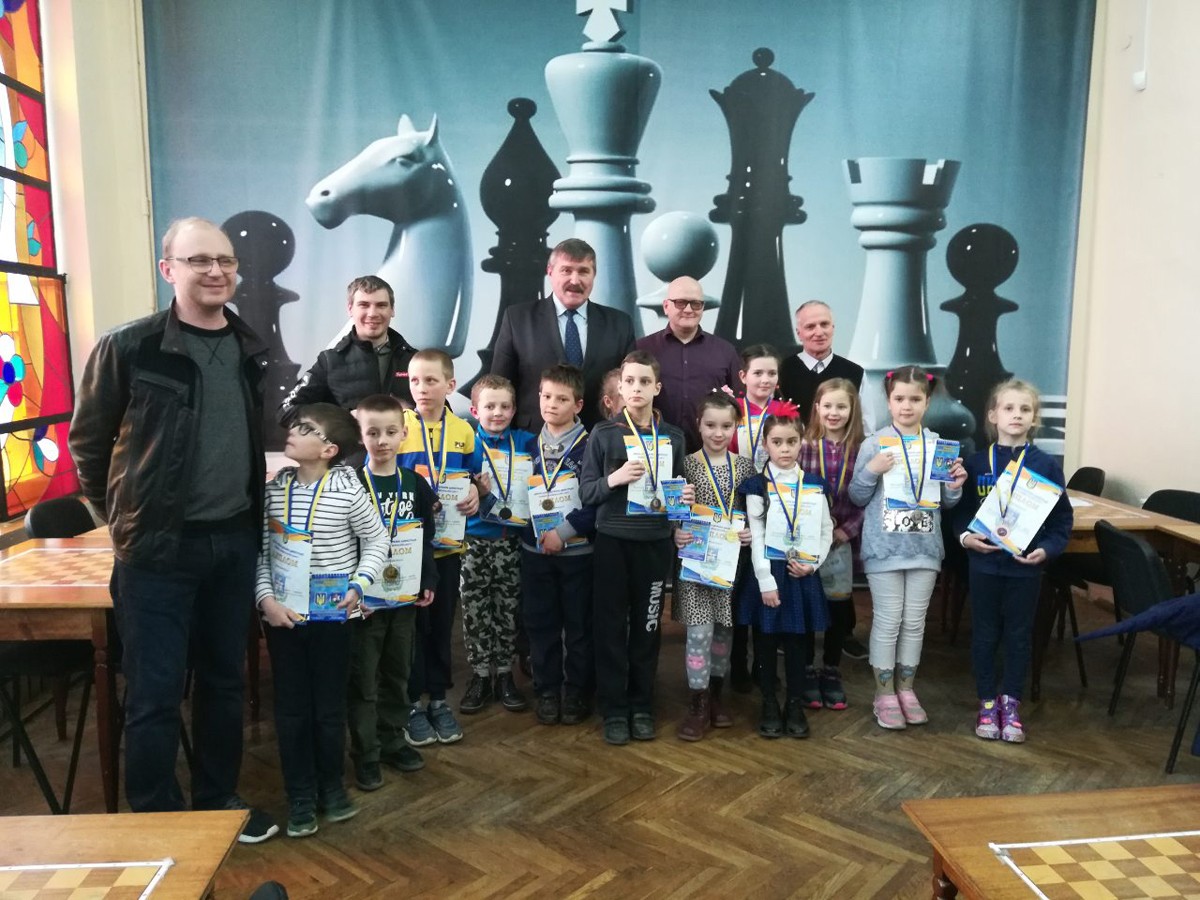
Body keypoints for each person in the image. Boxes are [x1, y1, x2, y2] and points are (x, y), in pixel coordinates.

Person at [69, 216, 276, 841]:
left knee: (223, 682)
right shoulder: (129, 346)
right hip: (157, 552)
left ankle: (216, 803)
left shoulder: (248, 346)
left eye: (225, 260)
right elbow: (88, 445)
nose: (216, 271)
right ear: (168, 270)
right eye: (199, 260)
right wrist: (123, 519)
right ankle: (158, 822)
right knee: (155, 693)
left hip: (233, 542)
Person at [254, 403, 389, 837]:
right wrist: (266, 601)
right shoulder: (274, 491)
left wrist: (359, 584)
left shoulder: (348, 491)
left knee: (329, 707)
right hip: (284, 618)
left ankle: (331, 786)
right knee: (292, 710)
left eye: (305, 428)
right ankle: (300, 794)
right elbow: (261, 553)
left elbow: (377, 540)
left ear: (329, 449)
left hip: (333, 618)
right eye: (294, 425)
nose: (292, 431)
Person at [580, 350, 691, 745]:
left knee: (647, 626)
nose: (637, 388)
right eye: (630, 381)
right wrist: (616, 478)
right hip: (613, 542)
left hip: (654, 544)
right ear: (620, 388)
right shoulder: (603, 434)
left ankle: (642, 704)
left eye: (645, 381)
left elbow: (677, 492)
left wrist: (683, 502)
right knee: (610, 627)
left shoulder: (674, 437)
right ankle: (613, 708)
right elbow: (587, 492)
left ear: (657, 387)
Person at [953, 379, 1072, 743]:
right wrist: (965, 537)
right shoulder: (976, 463)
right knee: (985, 634)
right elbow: (961, 512)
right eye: (1008, 408)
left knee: (1020, 636)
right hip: (984, 565)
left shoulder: (1046, 465)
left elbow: (1061, 520)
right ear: (993, 415)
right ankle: (987, 701)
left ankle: (1012, 701)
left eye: (1025, 409)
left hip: (1025, 568)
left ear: (1034, 418)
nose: (1016, 415)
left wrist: (1047, 549)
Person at [849, 366, 967, 731]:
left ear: (927, 402)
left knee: (915, 623)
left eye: (915, 399)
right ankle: (884, 694)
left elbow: (947, 503)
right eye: (899, 398)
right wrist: (872, 469)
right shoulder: (874, 444)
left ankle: (907, 689)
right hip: (884, 548)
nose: (906, 406)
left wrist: (955, 486)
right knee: (888, 620)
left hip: (925, 548)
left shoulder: (938, 446)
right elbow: (857, 495)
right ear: (888, 401)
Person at [348, 394, 439, 792]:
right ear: (360, 436)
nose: (382, 440)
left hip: (403, 601)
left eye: (390, 432)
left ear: (404, 434)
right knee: (363, 680)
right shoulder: (350, 484)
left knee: (398, 674)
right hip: (364, 604)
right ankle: (366, 753)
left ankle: (392, 741)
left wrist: (428, 580)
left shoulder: (415, 484)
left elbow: (427, 539)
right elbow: (341, 544)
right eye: (373, 433)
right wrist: (352, 593)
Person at [394, 349, 481, 745]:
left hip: (448, 549)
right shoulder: (398, 428)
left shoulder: (464, 430)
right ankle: (412, 703)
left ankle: (439, 701)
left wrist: (477, 492)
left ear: (450, 385)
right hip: (409, 551)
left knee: (442, 625)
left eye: (431, 380)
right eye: (415, 380)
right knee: (412, 629)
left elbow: (477, 478)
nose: (422, 388)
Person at [738, 416, 834, 739]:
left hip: (800, 573)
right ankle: (768, 702)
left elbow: (825, 530)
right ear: (765, 445)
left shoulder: (815, 484)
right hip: (767, 573)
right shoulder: (756, 486)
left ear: (801, 442)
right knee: (764, 642)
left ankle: (794, 703)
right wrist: (765, 581)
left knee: (797, 644)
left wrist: (813, 564)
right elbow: (756, 535)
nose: (784, 449)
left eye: (791, 441)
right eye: (777, 442)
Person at [671, 392, 756, 740]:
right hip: (695, 566)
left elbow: (755, 512)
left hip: (729, 566)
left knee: (723, 633)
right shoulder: (685, 464)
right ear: (699, 425)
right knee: (699, 633)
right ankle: (698, 701)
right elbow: (673, 511)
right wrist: (675, 531)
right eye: (710, 425)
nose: (718, 433)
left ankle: (717, 695)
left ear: (736, 427)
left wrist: (751, 532)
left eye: (726, 426)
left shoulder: (746, 467)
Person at [491, 238, 636, 431]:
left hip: (601, 438)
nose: (575, 281)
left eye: (583, 271)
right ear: (550, 272)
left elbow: (631, 387)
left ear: (594, 275)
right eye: (566, 270)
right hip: (533, 438)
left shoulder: (620, 323)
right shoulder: (517, 319)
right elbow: (500, 386)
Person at [522, 364, 597, 726]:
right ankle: (547, 690)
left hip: (578, 553)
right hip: (535, 552)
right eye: (546, 396)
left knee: (579, 626)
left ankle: (577, 690)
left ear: (578, 404)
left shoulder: (592, 446)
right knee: (541, 625)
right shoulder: (526, 446)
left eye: (561, 399)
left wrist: (563, 533)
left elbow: (597, 501)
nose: (551, 404)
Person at [459, 374, 536, 715]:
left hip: (511, 542)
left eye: (505, 406)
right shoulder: (465, 444)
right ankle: (480, 676)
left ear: (514, 410)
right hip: (473, 542)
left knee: (508, 609)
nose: (497, 413)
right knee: (475, 610)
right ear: (475, 410)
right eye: (489, 406)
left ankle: (505, 674)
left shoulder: (526, 442)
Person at [728, 343, 798, 692]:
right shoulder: (731, 411)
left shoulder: (786, 412)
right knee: (738, 590)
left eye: (771, 373)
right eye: (758, 372)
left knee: (765, 586)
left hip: (774, 508)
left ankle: (762, 663)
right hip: (735, 506)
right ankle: (736, 663)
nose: (765, 379)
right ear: (743, 376)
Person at [798, 378, 866, 711]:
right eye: (827, 405)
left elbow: (870, 498)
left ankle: (831, 668)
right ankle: (807, 668)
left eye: (841, 406)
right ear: (817, 408)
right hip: (809, 542)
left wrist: (847, 530)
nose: (833, 412)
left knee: (838, 610)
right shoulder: (803, 447)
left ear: (853, 409)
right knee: (807, 606)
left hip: (841, 543)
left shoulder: (863, 450)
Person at [279, 274, 416, 422]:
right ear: (350, 309)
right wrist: (345, 418)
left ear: (392, 310)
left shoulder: (414, 360)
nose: (372, 313)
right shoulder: (330, 361)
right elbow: (286, 410)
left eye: (381, 305)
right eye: (364, 305)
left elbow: (436, 411)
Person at [636, 276, 741, 452]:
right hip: (654, 452)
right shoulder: (642, 349)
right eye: (680, 302)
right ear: (666, 306)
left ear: (703, 308)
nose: (688, 309)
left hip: (709, 455)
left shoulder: (725, 352)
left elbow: (739, 404)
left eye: (696, 304)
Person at [777, 301, 864, 427]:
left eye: (824, 324)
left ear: (833, 328)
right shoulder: (782, 371)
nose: (819, 332)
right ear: (799, 333)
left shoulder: (856, 373)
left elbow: (865, 426)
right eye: (810, 327)